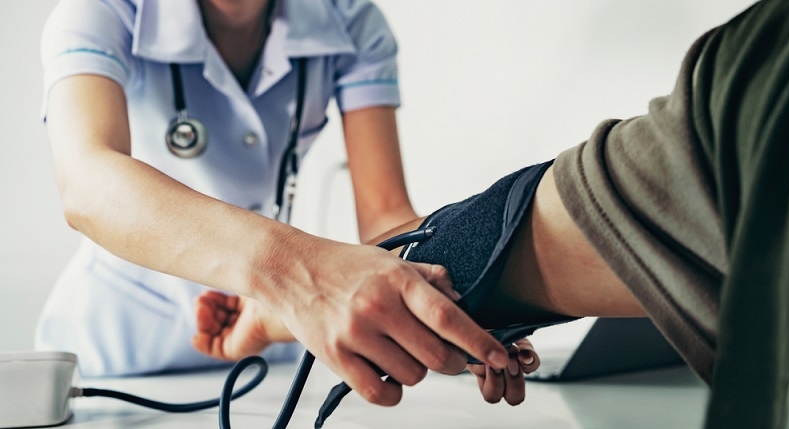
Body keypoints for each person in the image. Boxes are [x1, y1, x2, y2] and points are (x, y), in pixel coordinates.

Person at [194, 0, 789, 426]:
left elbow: (410, 234)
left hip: (276, 334)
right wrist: (288, 283)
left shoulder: (764, 77)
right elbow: (93, 179)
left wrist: (286, 307)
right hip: (129, 343)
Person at [34, 0, 513, 398]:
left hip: (264, 348)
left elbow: (387, 217)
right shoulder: (102, 11)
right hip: (113, 358)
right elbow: (87, 183)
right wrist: (291, 271)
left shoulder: (349, 19)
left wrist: (470, 287)